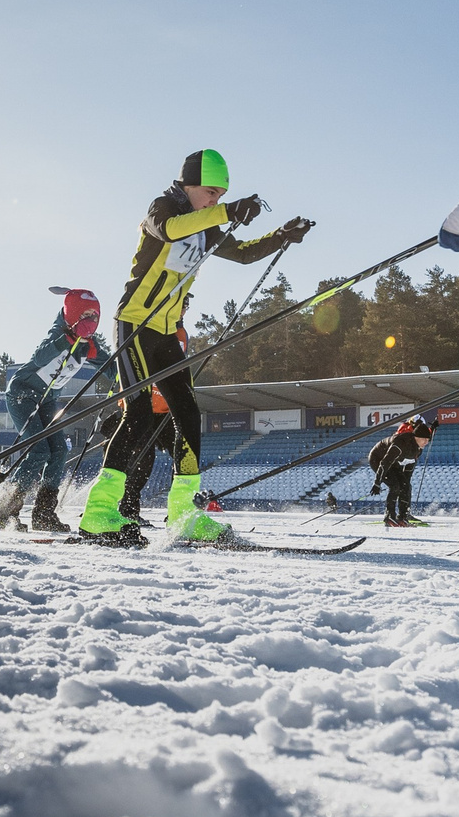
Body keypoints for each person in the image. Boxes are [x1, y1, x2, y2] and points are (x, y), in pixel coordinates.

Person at [80, 149, 313, 546]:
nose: (214, 200)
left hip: (167, 333)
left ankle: (184, 514)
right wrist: (227, 212)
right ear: (189, 184)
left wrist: (280, 237)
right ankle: (99, 512)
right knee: (138, 412)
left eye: (221, 196)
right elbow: (169, 230)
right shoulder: (162, 208)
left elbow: (242, 254)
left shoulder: (207, 226)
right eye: (210, 192)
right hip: (135, 323)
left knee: (188, 416)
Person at [0, 288, 112, 533]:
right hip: (23, 394)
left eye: (95, 316)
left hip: (47, 401)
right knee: (38, 451)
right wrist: (66, 340)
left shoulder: (88, 344)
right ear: (73, 314)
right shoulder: (58, 333)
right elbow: (39, 357)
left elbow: (110, 366)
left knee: (58, 450)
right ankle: (4, 513)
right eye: (85, 314)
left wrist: (126, 374)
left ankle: (44, 513)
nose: (91, 320)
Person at [367, 413, 434, 527]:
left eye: (428, 440)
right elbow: (385, 463)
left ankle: (403, 517)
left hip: (394, 462)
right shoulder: (400, 443)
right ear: (417, 437)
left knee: (405, 486)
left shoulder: (418, 449)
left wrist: (405, 486)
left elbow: (408, 472)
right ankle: (389, 517)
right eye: (425, 440)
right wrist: (377, 482)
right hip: (378, 458)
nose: (426, 443)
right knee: (395, 486)